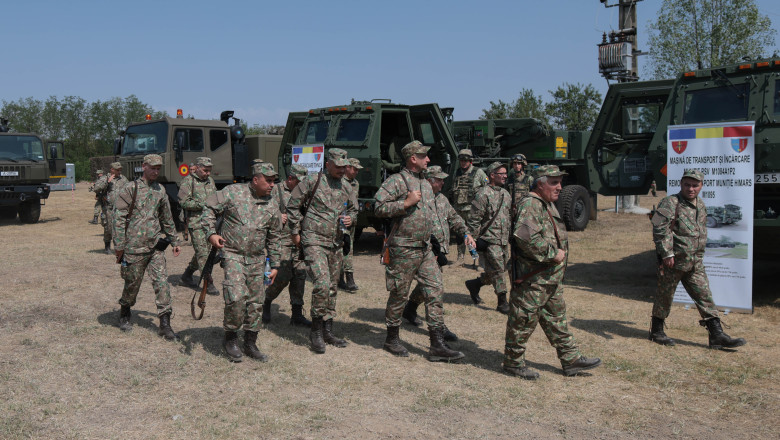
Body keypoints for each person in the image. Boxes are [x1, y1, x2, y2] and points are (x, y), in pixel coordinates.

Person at [504, 165, 601, 379]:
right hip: (533, 279)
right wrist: (552, 254)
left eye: (560, 182)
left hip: (549, 279)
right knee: (522, 321)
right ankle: (513, 363)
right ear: (540, 183)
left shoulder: (546, 203)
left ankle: (571, 359)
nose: (559, 187)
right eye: (554, 182)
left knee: (557, 319)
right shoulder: (531, 204)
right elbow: (524, 237)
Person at [374, 141, 466, 362]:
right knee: (399, 294)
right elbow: (378, 207)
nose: (428, 160)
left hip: (424, 248)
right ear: (412, 159)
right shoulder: (397, 180)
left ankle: (437, 345)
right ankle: (392, 339)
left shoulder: (425, 184)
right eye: (424, 156)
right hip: (403, 248)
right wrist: (404, 203)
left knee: (434, 290)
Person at [649, 169, 746, 349]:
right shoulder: (670, 202)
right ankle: (656, 331)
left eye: (695, 185)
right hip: (674, 261)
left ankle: (717, 335)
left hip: (695, 262)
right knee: (665, 296)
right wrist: (666, 254)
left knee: (705, 296)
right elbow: (658, 228)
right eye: (687, 184)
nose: (691, 189)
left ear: (701, 186)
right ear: (681, 184)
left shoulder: (700, 205)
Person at [202, 162, 282, 362]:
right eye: (268, 181)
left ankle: (250, 342)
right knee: (236, 297)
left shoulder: (272, 202)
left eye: (274, 181)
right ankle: (230, 338)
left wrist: (275, 264)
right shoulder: (232, 192)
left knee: (256, 302)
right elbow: (208, 208)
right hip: (233, 254)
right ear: (256, 180)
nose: (272, 185)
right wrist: (211, 233)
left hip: (257, 258)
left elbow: (274, 236)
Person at [286, 148, 357, 354]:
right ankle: (316, 331)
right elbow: (293, 206)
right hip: (313, 239)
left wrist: (351, 219)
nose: (342, 171)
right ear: (327, 165)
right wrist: (295, 231)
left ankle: (327, 329)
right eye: (338, 167)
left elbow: (354, 209)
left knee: (333, 286)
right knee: (322, 283)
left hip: (335, 242)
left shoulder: (346, 186)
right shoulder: (312, 181)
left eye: (344, 167)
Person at [113, 154, 182, 340]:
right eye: (152, 167)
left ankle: (165, 323)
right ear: (144, 167)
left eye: (158, 168)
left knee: (162, 283)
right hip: (134, 248)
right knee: (132, 284)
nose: (156, 171)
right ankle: (125, 311)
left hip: (154, 248)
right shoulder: (131, 188)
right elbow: (118, 218)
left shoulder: (160, 190)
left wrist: (174, 240)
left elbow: (167, 218)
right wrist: (119, 246)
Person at [402, 165, 473, 342]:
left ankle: (410, 308)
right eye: (439, 179)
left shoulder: (441, 199)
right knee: (435, 288)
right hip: (424, 250)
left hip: (439, 251)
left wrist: (465, 232)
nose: (443, 182)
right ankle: (438, 327)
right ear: (429, 180)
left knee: (429, 285)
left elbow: (454, 217)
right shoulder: (418, 198)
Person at [263, 164, 311, 327]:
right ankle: (266, 302)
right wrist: (277, 215)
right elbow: (262, 208)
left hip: (299, 239)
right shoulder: (275, 190)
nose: (301, 185)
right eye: (298, 181)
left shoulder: (304, 191)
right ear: (290, 179)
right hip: (282, 240)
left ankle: (297, 314)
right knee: (280, 276)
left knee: (300, 276)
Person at [465, 162, 512, 314]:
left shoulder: (506, 194)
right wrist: (472, 239)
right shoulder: (483, 194)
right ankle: (502, 302)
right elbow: (474, 219)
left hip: (503, 239)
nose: (505, 176)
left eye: (506, 173)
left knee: (499, 270)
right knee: (498, 270)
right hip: (489, 239)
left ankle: (475, 284)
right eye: (501, 173)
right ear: (492, 175)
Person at [178, 157, 217, 294]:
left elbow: (215, 198)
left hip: (210, 223)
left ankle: (187, 275)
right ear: (198, 167)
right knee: (202, 253)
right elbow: (183, 202)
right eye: (205, 170)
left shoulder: (210, 181)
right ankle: (208, 282)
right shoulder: (188, 182)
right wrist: (202, 204)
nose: (207, 173)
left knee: (203, 251)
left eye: (209, 171)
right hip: (196, 223)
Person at [450, 149, 488, 261]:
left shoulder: (479, 172)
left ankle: (474, 256)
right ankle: (460, 257)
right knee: (459, 234)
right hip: (459, 209)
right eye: (461, 160)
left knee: (473, 234)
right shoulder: (457, 172)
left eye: (465, 160)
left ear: (470, 161)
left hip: (472, 210)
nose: (463, 163)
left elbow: (487, 187)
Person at [338, 157, 363, 292]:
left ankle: (340, 278)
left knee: (348, 247)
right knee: (346, 249)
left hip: (351, 220)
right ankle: (349, 279)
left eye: (358, 170)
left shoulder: (356, 183)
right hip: (341, 221)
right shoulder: (339, 182)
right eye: (355, 169)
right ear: (347, 167)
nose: (356, 172)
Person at [93, 162, 128, 254]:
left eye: (120, 170)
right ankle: (107, 247)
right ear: (112, 169)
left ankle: (120, 248)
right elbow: (96, 189)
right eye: (117, 170)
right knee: (108, 228)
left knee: (121, 228)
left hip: (121, 208)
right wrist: (107, 182)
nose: (119, 171)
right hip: (108, 208)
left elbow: (129, 189)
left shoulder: (123, 179)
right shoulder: (105, 178)